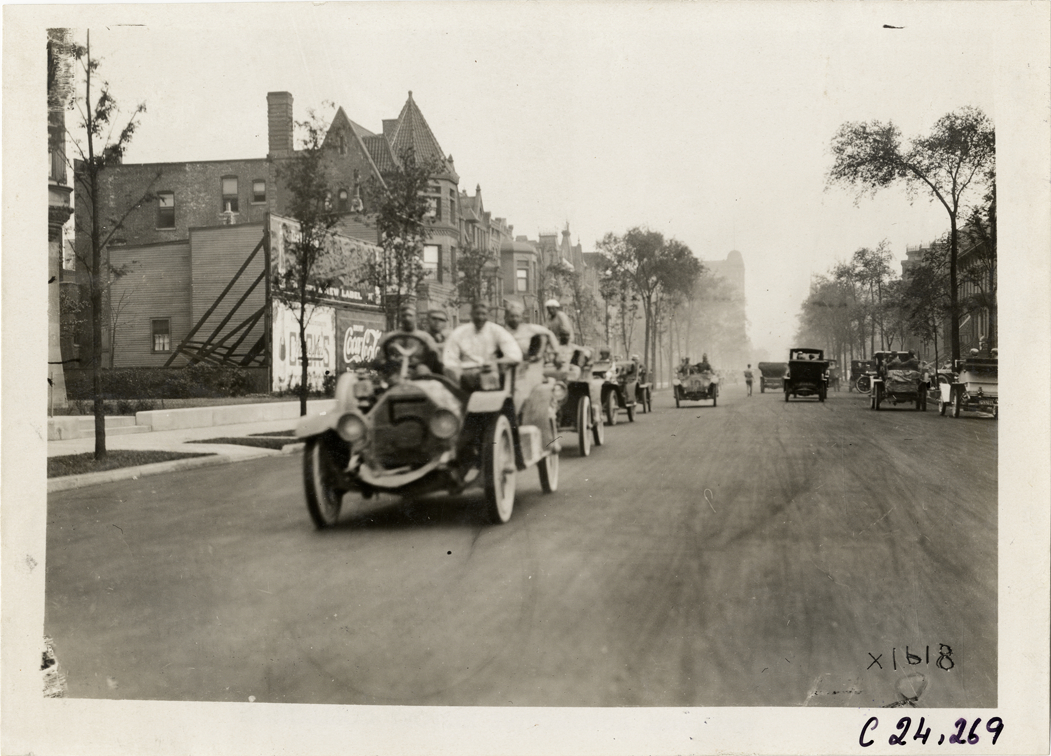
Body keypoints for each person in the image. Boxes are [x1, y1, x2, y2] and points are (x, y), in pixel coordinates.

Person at [443, 301, 522, 389]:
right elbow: (449, 360)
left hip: (489, 371)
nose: (480, 317)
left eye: (483, 314)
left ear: (488, 315)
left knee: (490, 377)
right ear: (471, 315)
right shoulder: (459, 332)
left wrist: (495, 363)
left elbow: (515, 355)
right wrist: (458, 371)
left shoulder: (497, 331)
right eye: (477, 314)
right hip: (463, 373)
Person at [373, 304, 442, 378]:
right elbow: (379, 359)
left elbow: (436, 359)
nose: (407, 318)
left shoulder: (425, 337)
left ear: (416, 317)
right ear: (400, 318)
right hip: (396, 370)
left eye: (410, 315)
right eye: (404, 316)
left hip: (418, 370)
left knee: (423, 371)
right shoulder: (391, 337)